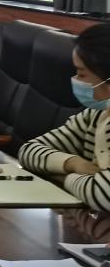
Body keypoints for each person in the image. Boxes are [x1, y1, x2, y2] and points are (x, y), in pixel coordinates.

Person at [19, 24, 110, 211]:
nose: (76, 80)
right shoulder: (96, 115)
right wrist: (73, 163)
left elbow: (101, 194)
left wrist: (63, 177)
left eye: (81, 73)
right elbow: (29, 151)